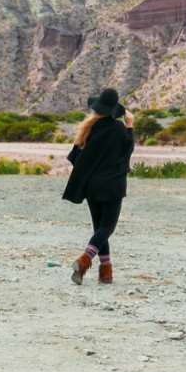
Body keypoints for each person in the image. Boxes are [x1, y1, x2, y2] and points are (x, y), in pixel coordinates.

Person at [61, 88, 135, 285]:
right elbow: (128, 150)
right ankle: (84, 260)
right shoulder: (118, 128)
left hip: (92, 187)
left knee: (99, 228)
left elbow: (76, 158)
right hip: (112, 187)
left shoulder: (88, 128)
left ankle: (106, 272)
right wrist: (130, 126)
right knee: (108, 227)